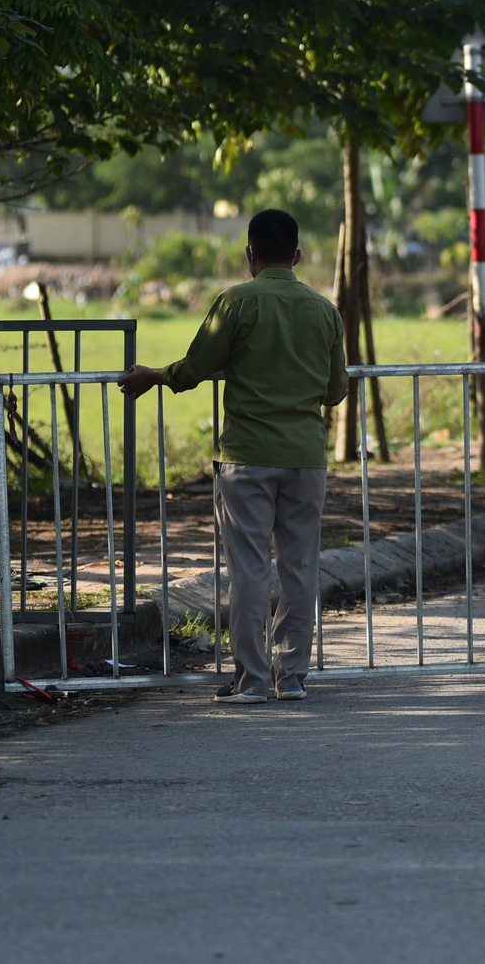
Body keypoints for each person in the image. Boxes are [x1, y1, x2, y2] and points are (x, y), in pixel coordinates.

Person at [118, 209, 348, 703]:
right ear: (298, 256)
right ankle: (292, 679)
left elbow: (196, 367)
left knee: (250, 570)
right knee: (300, 568)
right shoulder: (325, 310)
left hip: (246, 457)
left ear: (250, 254)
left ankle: (251, 679)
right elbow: (335, 391)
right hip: (306, 458)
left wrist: (155, 375)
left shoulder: (236, 303)